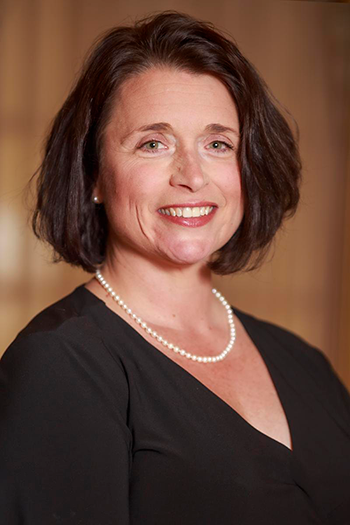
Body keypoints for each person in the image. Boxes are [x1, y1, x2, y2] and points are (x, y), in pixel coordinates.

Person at [1, 11, 349, 525]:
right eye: (153, 143)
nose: (192, 176)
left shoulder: (305, 363)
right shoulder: (58, 366)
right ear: (95, 174)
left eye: (217, 144)